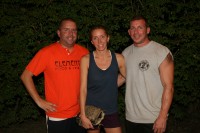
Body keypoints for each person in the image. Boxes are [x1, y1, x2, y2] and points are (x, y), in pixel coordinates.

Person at [20, 18, 89, 133]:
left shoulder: (84, 52)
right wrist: (39, 101)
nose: (71, 34)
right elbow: (25, 76)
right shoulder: (46, 53)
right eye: (66, 30)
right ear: (58, 33)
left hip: (80, 113)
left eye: (74, 30)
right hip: (57, 115)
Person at [119, 15, 174, 133]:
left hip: (153, 118)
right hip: (131, 117)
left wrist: (162, 116)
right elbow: (123, 77)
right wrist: (99, 88)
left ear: (147, 30)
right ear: (129, 32)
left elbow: (168, 86)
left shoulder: (161, 52)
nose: (136, 32)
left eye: (140, 27)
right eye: (132, 28)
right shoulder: (126, 53)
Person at [79, 25, 126, 133]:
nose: (99, 41)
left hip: (111, 110)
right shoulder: (86, 60)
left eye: (102, 37)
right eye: (95, 38)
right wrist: (83, 115)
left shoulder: (119, 58)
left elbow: (127, 77)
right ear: (92, 42)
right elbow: (83, 89)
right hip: (92, 110)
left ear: (108, 38)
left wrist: (111, 85)